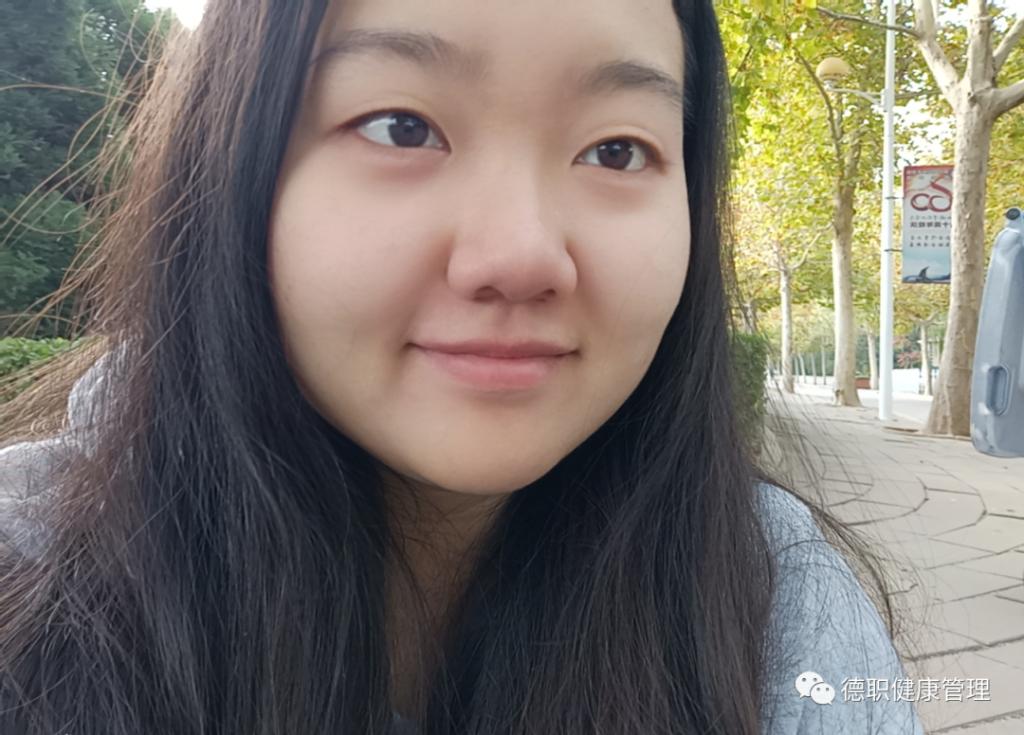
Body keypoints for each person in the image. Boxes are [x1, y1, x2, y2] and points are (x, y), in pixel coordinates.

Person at [0, 1, 925, 733]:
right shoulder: (28, 601)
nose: (521, 255)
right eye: (401, 127)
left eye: (617, 149)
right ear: (233, 164)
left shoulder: (784, 611)